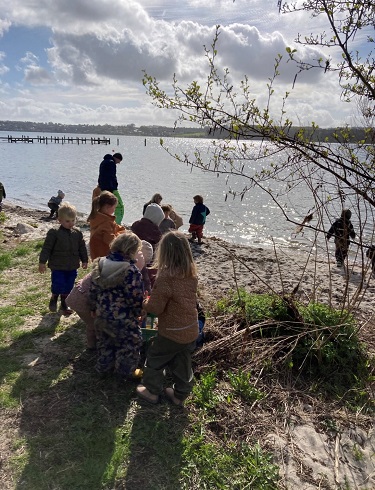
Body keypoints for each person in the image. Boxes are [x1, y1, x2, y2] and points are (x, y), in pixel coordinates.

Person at [136, 231, 199, 406]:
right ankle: (180, 395)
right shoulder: (191, 274)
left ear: (164, 253)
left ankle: (151, 391)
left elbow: (156, 308)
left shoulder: (166, 277)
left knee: (156, 357)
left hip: (172, 331)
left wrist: (145, 303)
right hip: (191, 328)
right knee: (182, 362)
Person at [88, 232, 144, 378]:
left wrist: (93, 307)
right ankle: (124, 372)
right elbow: (135, 296)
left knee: (105, 342)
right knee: (129, 343)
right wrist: (138, 312)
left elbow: (93, 289)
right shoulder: (130, 270)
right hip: (122, 317)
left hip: (102, 312)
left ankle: (104, 367)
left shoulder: (100, 264)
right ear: (131, 251)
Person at [39, 202, 88, 315]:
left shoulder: (77, 233)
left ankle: (64, 304)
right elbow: (46, 248)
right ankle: (54, 297)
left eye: (73, 220)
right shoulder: (54, 233)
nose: (71, 223)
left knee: (69, 285)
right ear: (59, 220)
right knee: (58, 283)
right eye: (67, 221)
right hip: (57, 265)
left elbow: (82, 248)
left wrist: (84, 260)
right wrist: (42, 262)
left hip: (72, 265)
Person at [87, 191, 125, 260]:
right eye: (114, 208)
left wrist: (123, 231)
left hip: (96, 254)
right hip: (104, 256)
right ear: (107, 207)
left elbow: (117, 227)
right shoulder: (106, 223)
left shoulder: (97, 217)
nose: (114, 210)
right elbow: (112, 241)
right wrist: (121, 237)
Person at [97, 153, 124, 225]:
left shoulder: (103, 162)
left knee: (105, 206)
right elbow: (112, 177)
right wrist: (113, 188)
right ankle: (116, 223)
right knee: (119, 206)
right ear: (117, 158)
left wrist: (100, 185)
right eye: (119, 161)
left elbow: (101, 175)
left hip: (103, 187)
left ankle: (103, 220)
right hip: (110, 188)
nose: (118, 163)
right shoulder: (112, 163)